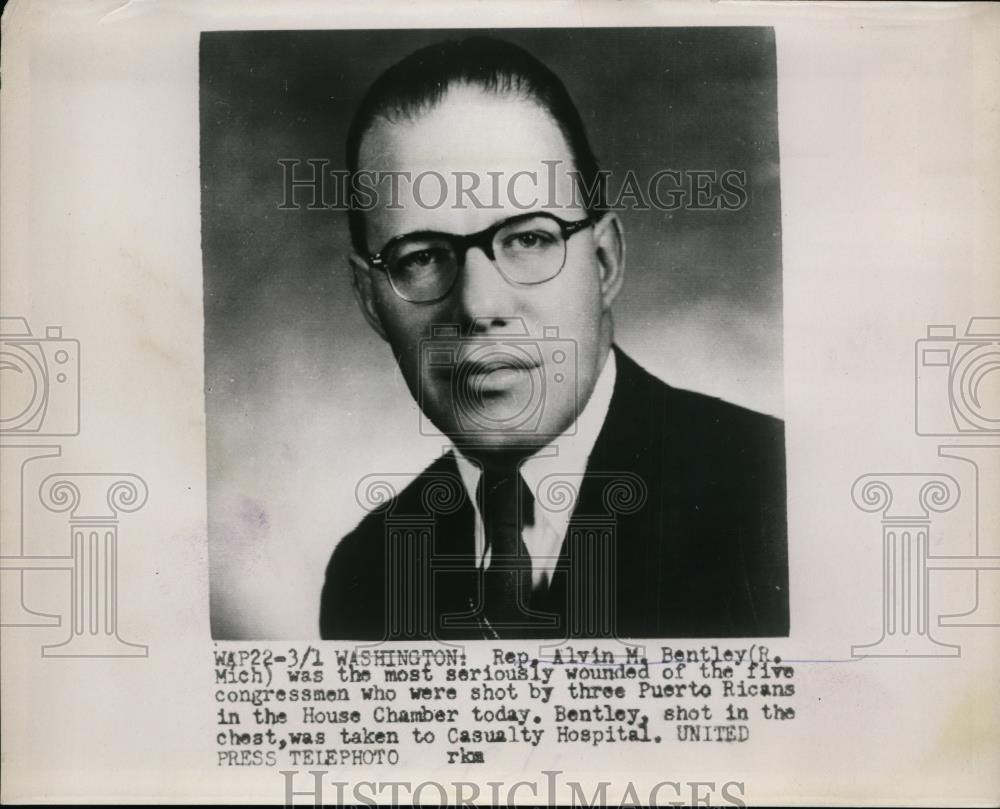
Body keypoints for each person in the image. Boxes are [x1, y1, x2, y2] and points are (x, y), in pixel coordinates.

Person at [320, 37, 788, 640]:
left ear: (603, 262)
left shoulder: (774, 495)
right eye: (423, 256)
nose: (480, 307)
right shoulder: (368, 575)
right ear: (370, 301)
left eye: (528, 238)